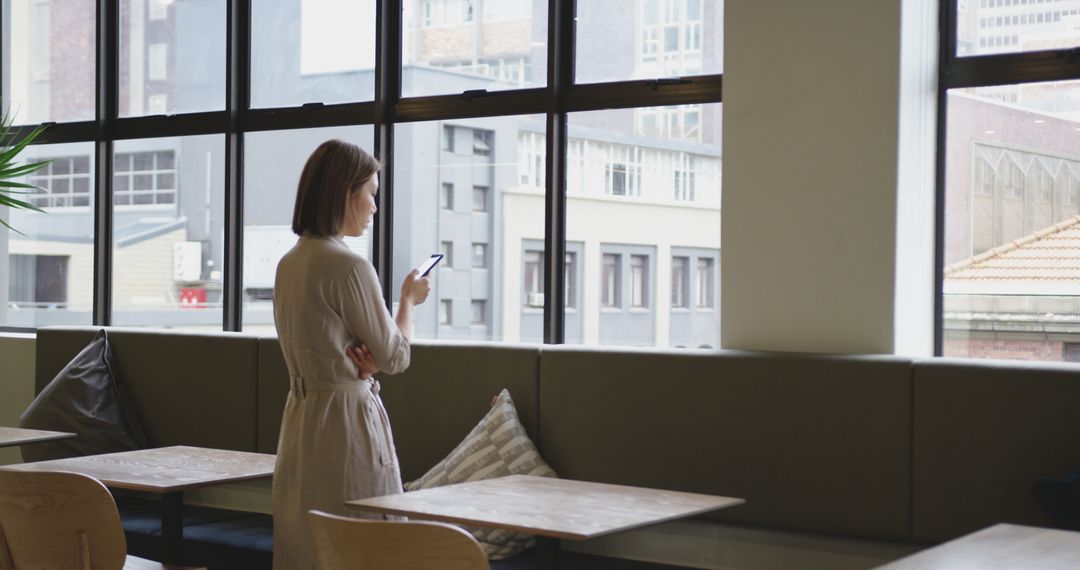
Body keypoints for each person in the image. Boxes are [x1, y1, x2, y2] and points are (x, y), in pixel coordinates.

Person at [271, 139, 430, 570]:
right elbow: (396, 357)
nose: (374, 207)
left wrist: (366, 362)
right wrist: (408, 301)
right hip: (346, 420)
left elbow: (331, 343)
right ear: (346, 193)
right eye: (371, 195)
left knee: (306, 545)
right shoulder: (349, 266)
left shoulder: (290, 262)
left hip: (301, 419)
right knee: (361, 544)